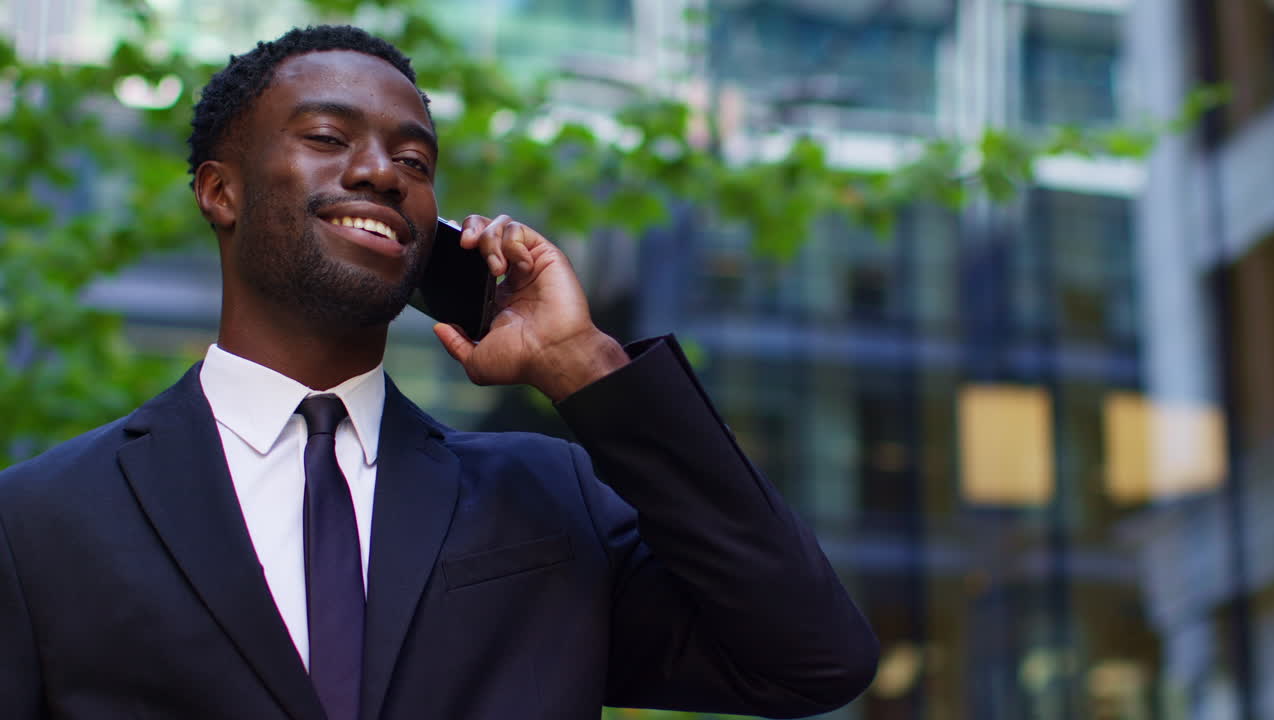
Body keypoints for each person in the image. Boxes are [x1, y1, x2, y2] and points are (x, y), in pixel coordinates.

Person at [0, 25, 878, 720]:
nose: (382, 172)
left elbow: (809, 659)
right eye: (327, 135)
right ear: (219, 191)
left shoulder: (544, 494)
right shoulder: (38, 521)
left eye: (414, 162)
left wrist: (583, 363)